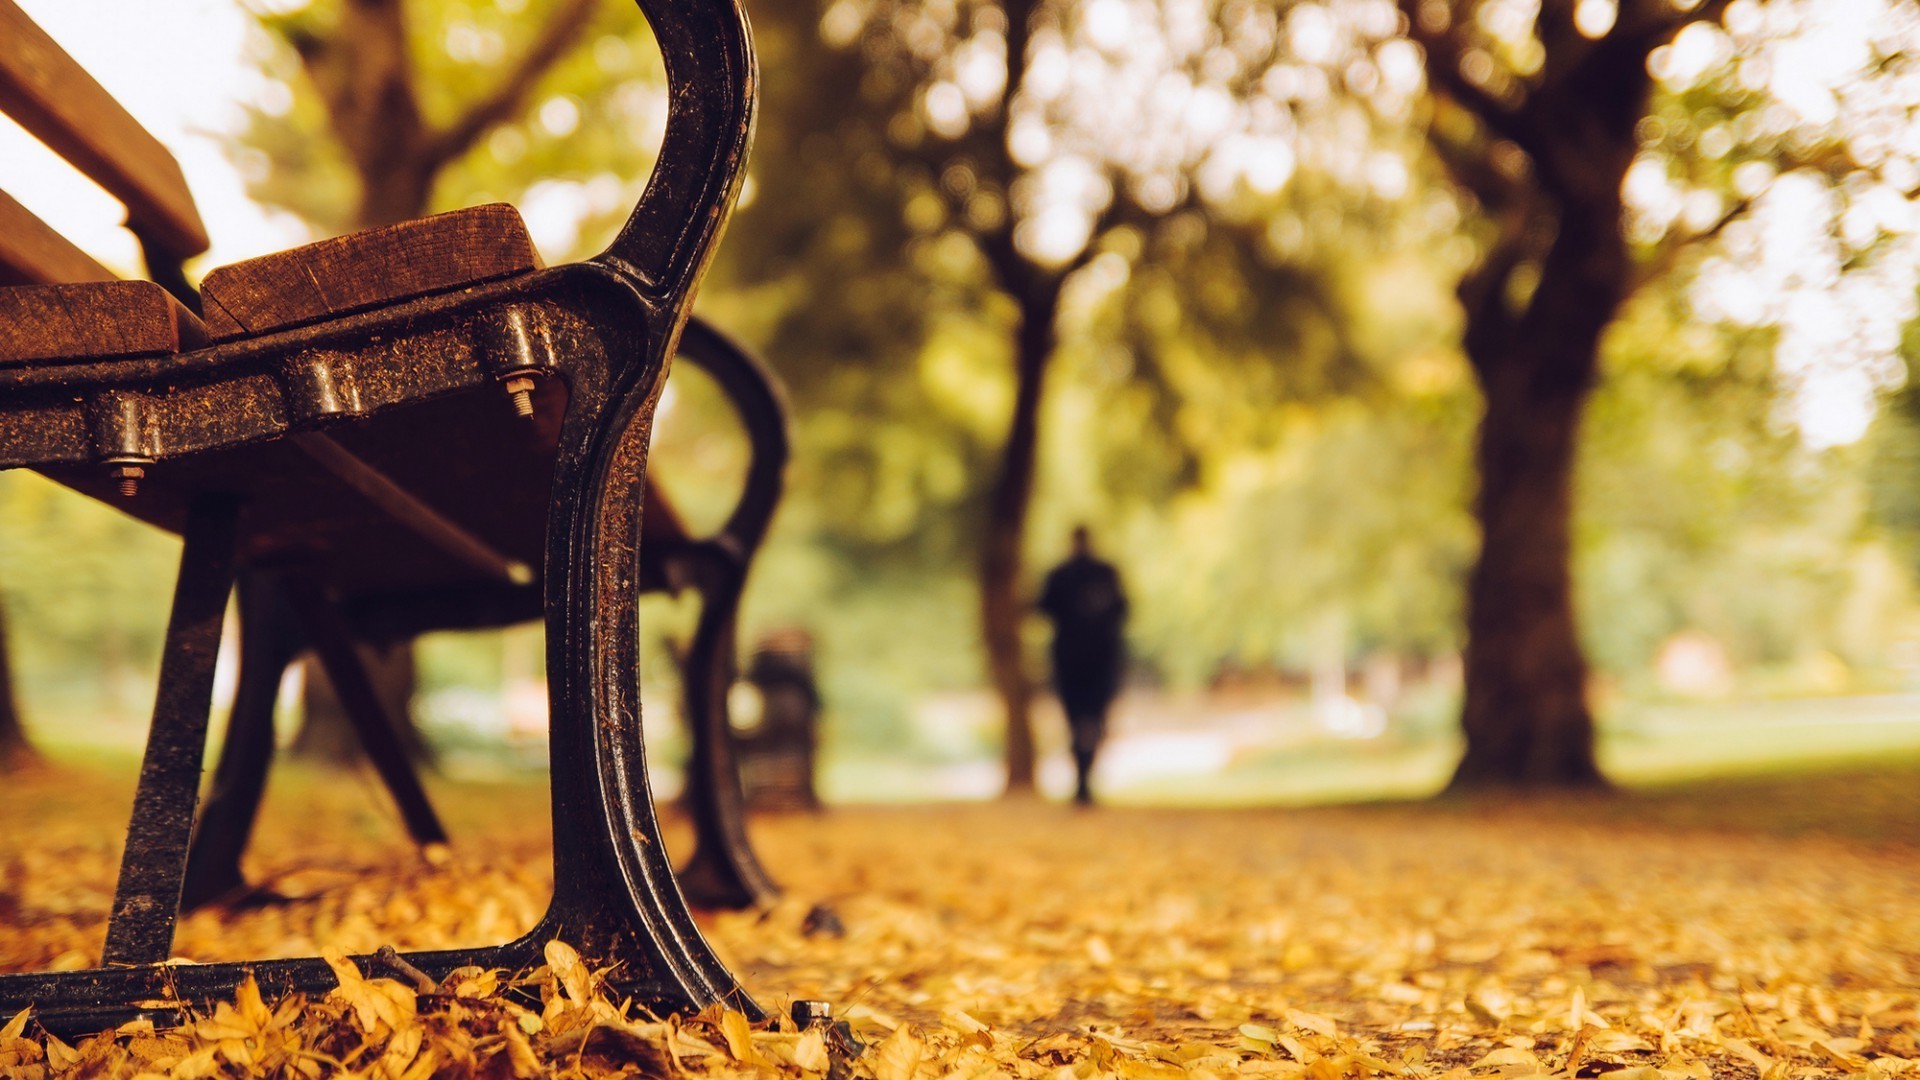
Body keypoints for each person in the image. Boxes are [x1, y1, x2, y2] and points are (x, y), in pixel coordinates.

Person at [1038, 526, 1128, 805]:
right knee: (1087, 721)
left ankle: (1084, 779)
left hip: (1080, 661)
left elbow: (1042, 610)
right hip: (1089, 661)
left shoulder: (1065, 575)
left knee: (1083, 722)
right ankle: (1083, 780)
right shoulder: (1101, 574)